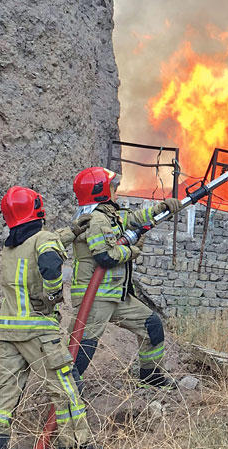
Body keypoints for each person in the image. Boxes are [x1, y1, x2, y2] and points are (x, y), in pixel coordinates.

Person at [0, 186, 98, 449]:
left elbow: (42, 245)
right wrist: (54, 293)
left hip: (7, 332)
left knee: (4, 395)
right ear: (37, 208)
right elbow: (49, 260)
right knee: (65, 387)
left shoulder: (11, 247)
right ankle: (77, 445)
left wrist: (72, 231)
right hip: (38, 331)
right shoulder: (43, 239)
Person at [69, 166, 180, 389]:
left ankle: (151, 376)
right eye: (113, 188)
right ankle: (67, 391)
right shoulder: (96, 220)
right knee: (83, 346)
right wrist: (133, 251)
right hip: (95, 297)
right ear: (100, 191)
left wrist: (161, 209)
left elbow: (134, 219)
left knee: (151, 325)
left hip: (114, 295)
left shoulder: (110, 215)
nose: (116, 191)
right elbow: (105, 257)